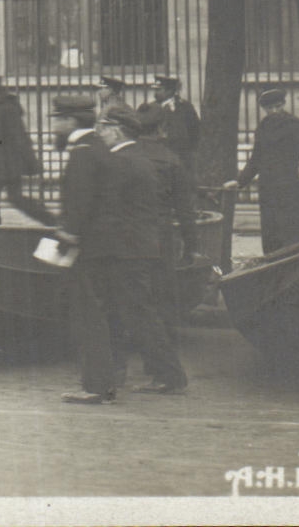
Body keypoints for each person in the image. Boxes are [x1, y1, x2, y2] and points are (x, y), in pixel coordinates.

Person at [95, 105, 188, 396]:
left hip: (126, 250)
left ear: (116, 130)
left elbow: (109, 210)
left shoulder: (120, 162)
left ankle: (169, 375)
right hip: (141, 246)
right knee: (136, 312)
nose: (100, 134)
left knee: (138, 314)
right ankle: (129, 373)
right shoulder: (141, 158)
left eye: (103, 128)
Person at [50, 95, 117, 405]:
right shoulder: (99, 148)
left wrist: (67, 236)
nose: (54, 125)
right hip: (106, 245)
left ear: (70, 121)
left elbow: (80, 204)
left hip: (88, 248)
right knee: (102, 314)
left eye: (57, 119)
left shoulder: (82, 154)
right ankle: (105, 382)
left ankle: (94, 386)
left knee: (88, 316)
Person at [225, 87, 299, 253]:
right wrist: (239, 182)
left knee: (292, 234)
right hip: (268, 189)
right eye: (270, 108)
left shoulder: (295, 125)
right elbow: (255, 160)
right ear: (264, 109)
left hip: (290, 188)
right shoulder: (263, 128)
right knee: (271, 235)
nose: (274, 111)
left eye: (278, 106)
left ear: (284, 104)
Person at [133, 105, 200, 345]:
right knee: (164, 292)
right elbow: (185, 209)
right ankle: (166, 347)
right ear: (161, 129)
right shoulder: (172, 160)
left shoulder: (123, 156)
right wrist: (191, 245)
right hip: (160, 232)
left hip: (128, 233)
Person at [0, 75, 56, 225]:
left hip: (7, 164)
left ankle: (50, 220)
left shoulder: (7, 108)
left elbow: (19, 136)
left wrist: (30, 162)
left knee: (14, 198)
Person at [151, 75, 200, 175]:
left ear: (170, 91)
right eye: (155, 90)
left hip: (181, 155)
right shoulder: (151, 107)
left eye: (159, 90)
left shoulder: (185, 107)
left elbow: (195, 131)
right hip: (159, 155)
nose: (155, 93)